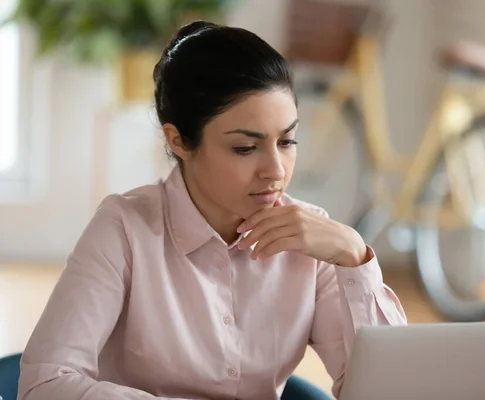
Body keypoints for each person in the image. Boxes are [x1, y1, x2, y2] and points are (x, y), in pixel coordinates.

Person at [17, 21, 407, 400]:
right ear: (180, 141)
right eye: (245, 148)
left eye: (287, 141)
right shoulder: (123, 229)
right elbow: (45, 385)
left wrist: (353, 255)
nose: (276, 170)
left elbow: (390, 392)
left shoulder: (312, 243)